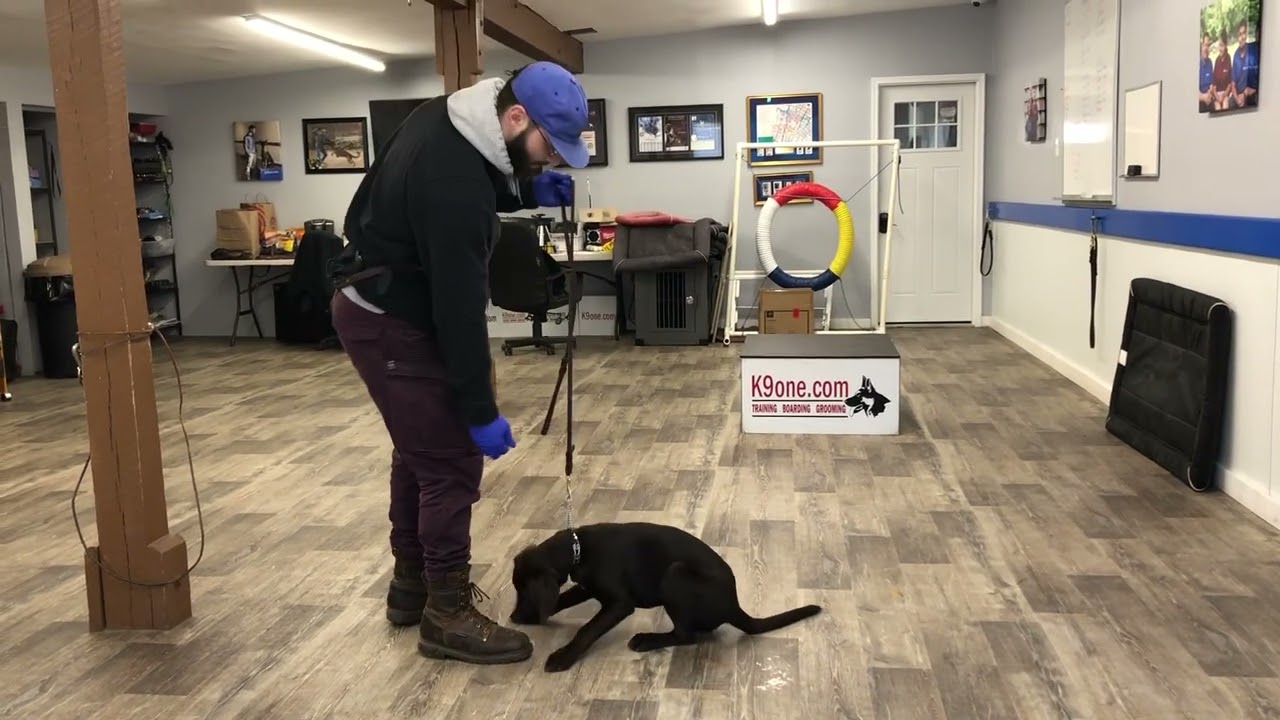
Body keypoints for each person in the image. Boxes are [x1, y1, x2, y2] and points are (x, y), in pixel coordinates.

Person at [329, 61, 588, 665]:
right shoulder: (456, 185)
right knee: (447, 460)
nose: (551, 160)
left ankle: (410, 587)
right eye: (548, 148)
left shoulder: (447, 115)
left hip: (375, 297)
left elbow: (449, 187)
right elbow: (460, 309)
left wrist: (523, 190)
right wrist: (478, 410)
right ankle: (445, 612)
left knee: (417, 452)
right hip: (393, 315)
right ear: (516, 117)